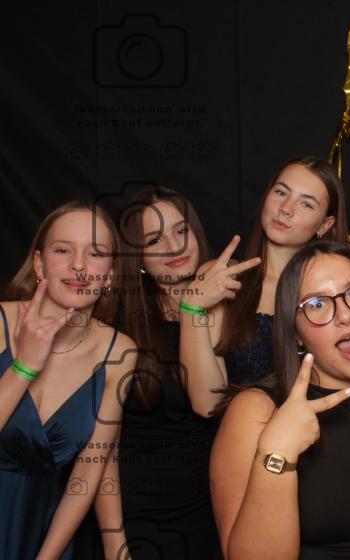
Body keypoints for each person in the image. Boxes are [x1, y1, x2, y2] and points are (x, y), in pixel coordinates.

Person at [209, 240, 350, 559]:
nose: (345, 315)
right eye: (317, 303)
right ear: (295, 333)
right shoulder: (255, 410)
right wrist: (277, 454)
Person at [179, 156, 350, 417]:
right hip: (241, 434)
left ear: (325, 224)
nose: (286, 209)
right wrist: (191, 306)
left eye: (306, 203)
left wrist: (335, 260)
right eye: (281, 192)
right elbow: (206, 403)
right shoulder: (222, 278)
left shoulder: (329, 290)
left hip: (320, 432)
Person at [87, 187, 221, 559]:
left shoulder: (228, 307)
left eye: (181, 231)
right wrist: (115, 542)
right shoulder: (118, 324)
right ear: (139, 256)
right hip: (138, 521)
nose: (174, 247)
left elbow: (211, 402)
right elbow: (101, 452)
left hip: (211, 517)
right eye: (154, 239)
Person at [0, 202, 137, 559]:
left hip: (40, 532)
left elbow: (88, 473)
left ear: (110, 274)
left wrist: (46, 557)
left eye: (95, 253)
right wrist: (24, 366)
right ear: (39, 263)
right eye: (63, 250)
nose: (79, 265)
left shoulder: (119, 352)